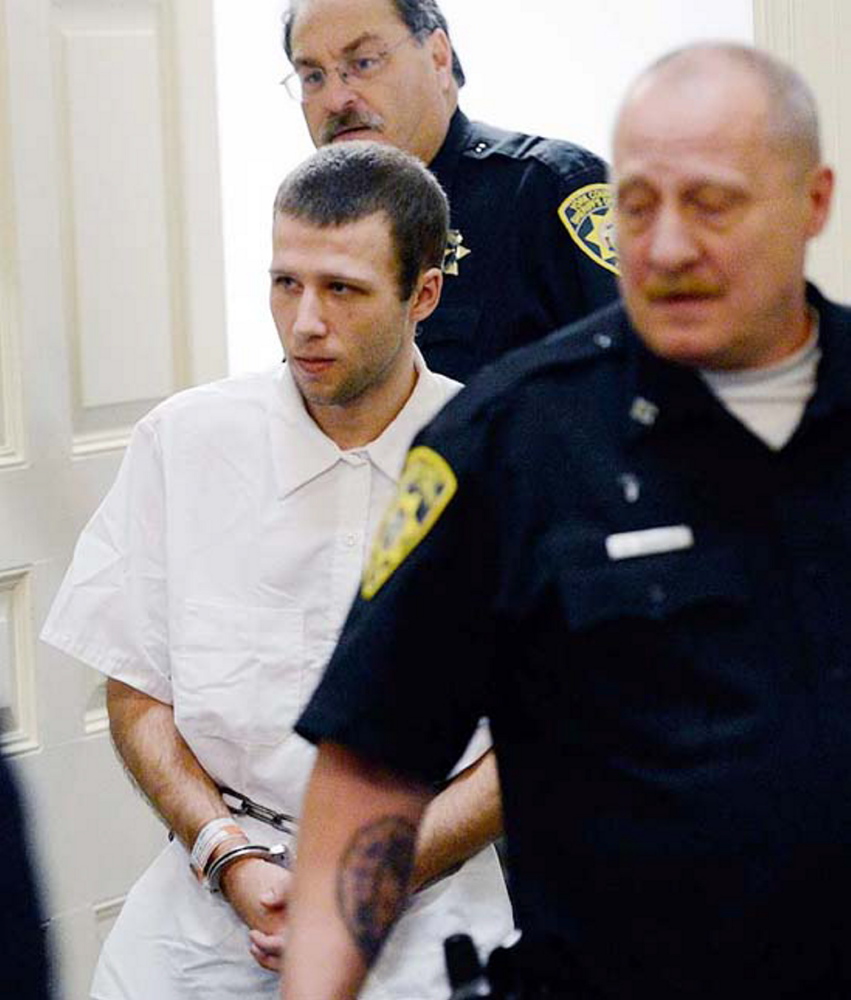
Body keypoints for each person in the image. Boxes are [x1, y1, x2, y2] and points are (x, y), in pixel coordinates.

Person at [282, 42, 851, 999]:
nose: (665, 246)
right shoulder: (506, 445)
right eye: (637, 205)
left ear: (812, 201)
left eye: (710, 203)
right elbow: (372, 772)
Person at [41, 142, 511, 1000]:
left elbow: (534, 731)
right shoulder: (185, 443)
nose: (304, 322)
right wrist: (223, 850)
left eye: (342, 289)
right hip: (210, 900)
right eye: (284, 283)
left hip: (426, 903)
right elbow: (137, 688)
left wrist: (371, 877)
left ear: (424, 295)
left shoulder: (507, 457)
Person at [281, 0, 619, 381]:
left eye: (363, 63)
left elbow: (647, 377)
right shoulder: (312, 228)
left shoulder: (547, 189)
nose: (336, 100)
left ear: (439, 58)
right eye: (313, 77)